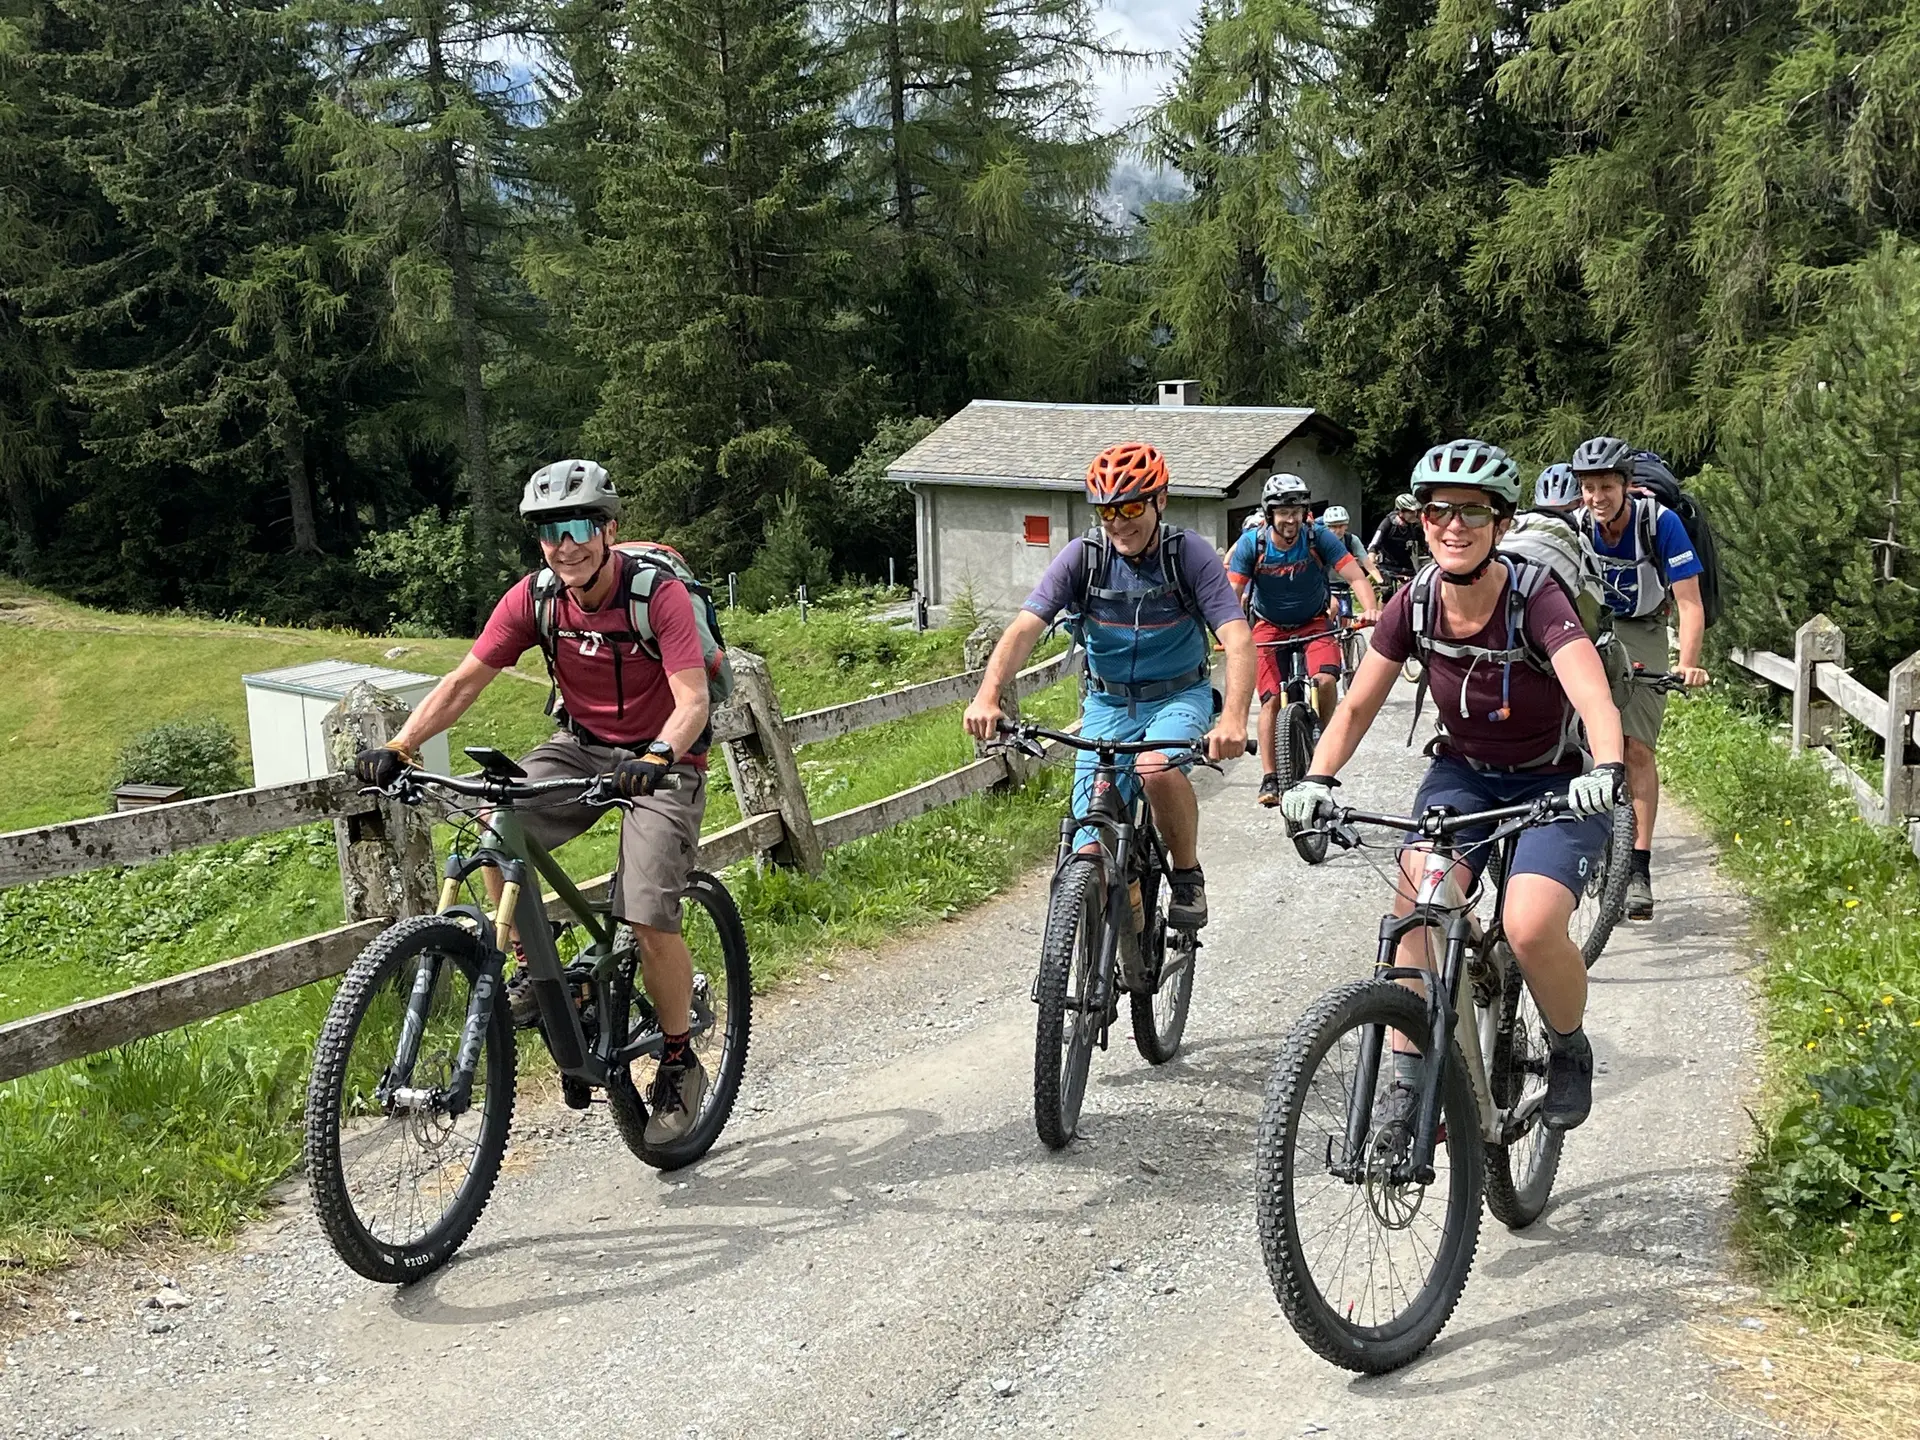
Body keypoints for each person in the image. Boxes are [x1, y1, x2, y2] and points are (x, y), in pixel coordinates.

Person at [352, 459, 714, 1145]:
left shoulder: (655, 596)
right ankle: (537, 972)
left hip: (663, 759)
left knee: (644, 909)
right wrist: (400, 746)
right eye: (549, 531)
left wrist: (657, 757)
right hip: (579, 747)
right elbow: (465, 681)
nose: (565, 544)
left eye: (578, 525)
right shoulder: (536, 598)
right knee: (496, 823)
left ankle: (676, 1058)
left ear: (609, 528)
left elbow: (693, 700)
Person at [1280, 438, 1627, 1132]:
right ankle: (1409, 1083)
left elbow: (1594, 698)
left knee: (1529, 926)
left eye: (1474, 511)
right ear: (1423, 518)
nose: (1454, 526)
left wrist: (1607, 768)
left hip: (1554, 781)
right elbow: (1354, 706)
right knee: (1420, 900)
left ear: (1501, 524)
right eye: (1441, 511)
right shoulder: (1413, 603)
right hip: (1464, 775)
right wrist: (1316, 776)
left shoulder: (1536, 597)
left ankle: (1567, 1048)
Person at [963, 442, 1254, 930]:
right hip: (1107, 702)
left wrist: (1234, 719)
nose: (1119, 523)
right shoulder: (1084, 557)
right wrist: (988, 694)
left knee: (1155, 769)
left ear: (1160, 500)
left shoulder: (1190, 556)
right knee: (1091, 843)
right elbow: (1023, 629)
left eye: (1132, 507)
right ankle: (1125, 921)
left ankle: (1186, 875)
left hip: (1178, 696)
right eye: (1107, 511)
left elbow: (1239, 639)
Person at [1570, 435, 1711, 920]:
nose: (1597, 497)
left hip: (1643, 627)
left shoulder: (1660, 523)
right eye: (1588, 487)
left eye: (1606, 486)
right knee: (1572, 738)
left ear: (1626, 485)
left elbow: (1690, 603)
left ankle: (1637, 867)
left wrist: (1687, 663)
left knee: (1636, 749)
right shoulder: (1576, 526)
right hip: (1587, 625)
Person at [1228, 474, 1379, 807]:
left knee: (1325, 681)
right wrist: (1229, 633)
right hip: (1268, 626)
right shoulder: (1252, 545)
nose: (1291, 519)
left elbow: (1354, 574)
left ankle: (1325, 745)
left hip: (1314, 623)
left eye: (1296, 511)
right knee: (1269, 702)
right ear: (1270, 514)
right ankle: (1270, 776)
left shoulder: (1318, 537)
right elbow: (1232, 595)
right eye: (1283, 511)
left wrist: (1369, 608)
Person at [1321, 504, 1384, 625]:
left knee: (1346, 620)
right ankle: (1327, 634)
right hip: (1326, 584)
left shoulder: (1351, 540)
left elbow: (1367, 564)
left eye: (1341, 525)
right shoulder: (1321, 540)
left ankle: (1347, 640)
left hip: (1345, 584)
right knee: (1332, 609)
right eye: (1332, 526)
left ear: (1346, 525)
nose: (1337, 530)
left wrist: (1381, 581)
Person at [1367, 493, 1423, 592]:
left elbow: (1426, 543)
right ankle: (1383, 607)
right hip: (1388, 567)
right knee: (1387, 592)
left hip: (1407, 567)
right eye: (1410, 512)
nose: (1414, 515)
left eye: (1415, 511)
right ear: (1401, 512)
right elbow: (1374, 543)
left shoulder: (1414, 526)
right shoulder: (1388, 523)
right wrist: (1372, 557)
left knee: (1415, 592)